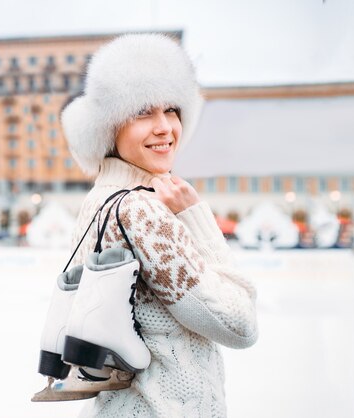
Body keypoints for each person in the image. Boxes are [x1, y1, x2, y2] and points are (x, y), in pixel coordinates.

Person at [60, 33, 258, 417]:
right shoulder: (141, 211)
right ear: (109, 127)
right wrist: (196, 218)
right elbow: (239, 325)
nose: (165, 127)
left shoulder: (99, 199)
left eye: (171, 110)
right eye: (142, 112)